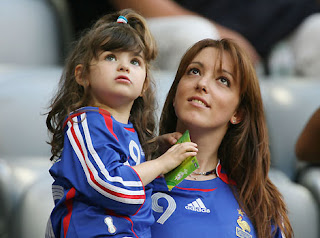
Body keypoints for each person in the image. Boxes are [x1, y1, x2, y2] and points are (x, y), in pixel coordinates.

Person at [45, 9, 198, 238]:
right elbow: (111, 186)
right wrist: (163, 163)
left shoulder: (128, 132)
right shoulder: (85, 124)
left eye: (135, 61)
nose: (124, 66)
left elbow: (121, 163)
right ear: (82, 75)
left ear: (144, 86)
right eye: (110, 57)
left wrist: (155, 149)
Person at [150, 38, 293, 237]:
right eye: (194, 71)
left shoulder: (259, 202)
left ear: (238, 113)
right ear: (174, 95)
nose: (201, 83)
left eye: (223, 80)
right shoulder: (129, 175)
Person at [64, 0, 320, 76]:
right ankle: (187, 169)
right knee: (199, 41)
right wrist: (223, 38)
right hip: (132, 26)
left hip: (276, 36)